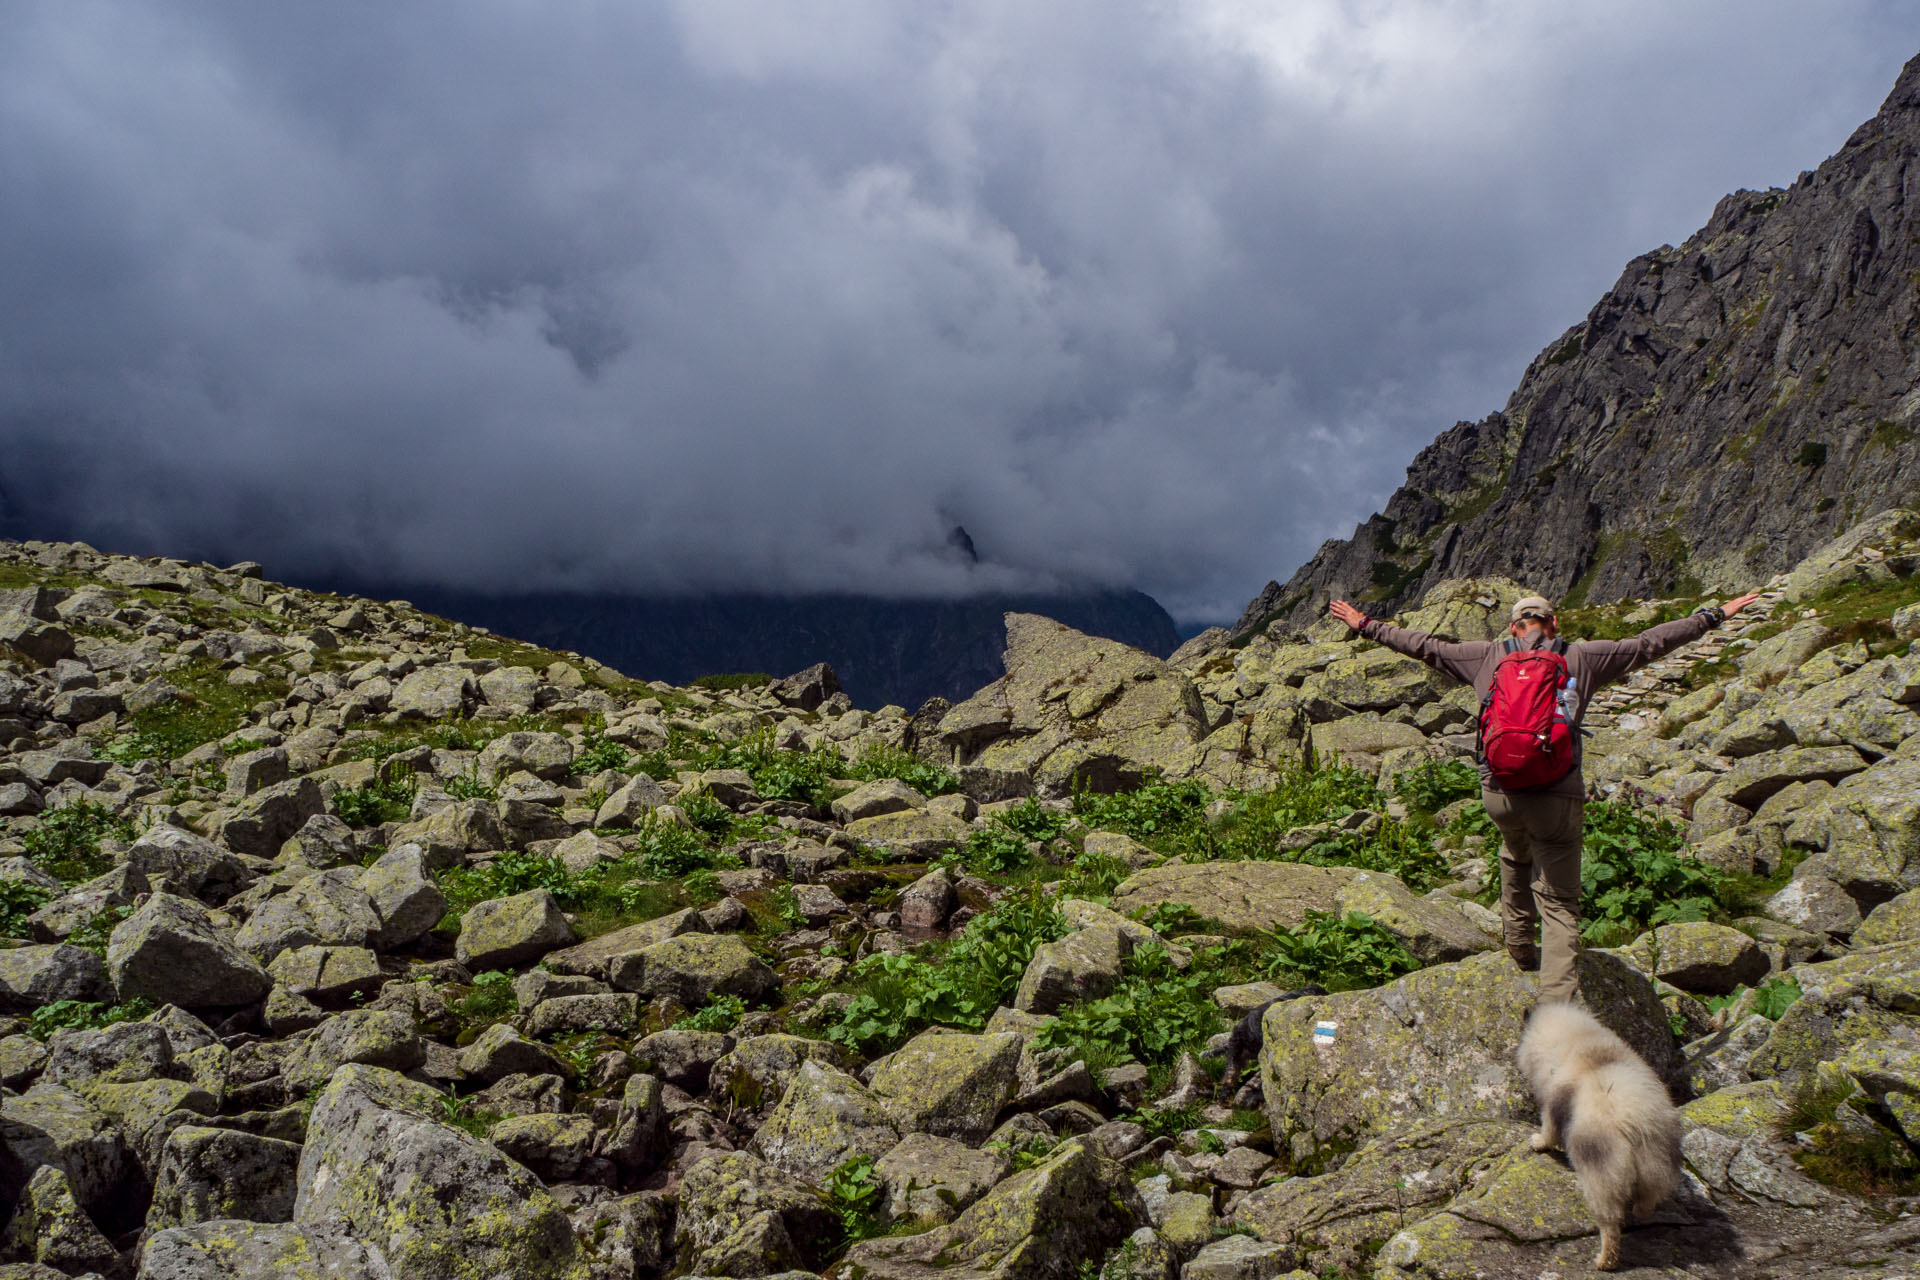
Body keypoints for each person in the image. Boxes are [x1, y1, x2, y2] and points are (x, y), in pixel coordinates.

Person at [1326, 590, 1761, 1003]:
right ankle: (1555, 1005)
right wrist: (1713, 616)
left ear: (1513, 626)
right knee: (1559, 901)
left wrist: (1364, 623)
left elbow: (1422, 645)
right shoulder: (1582, 655)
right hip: (1557, 794)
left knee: (1515, 855)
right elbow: (1650, 643)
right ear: (1554, 623)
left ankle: (1519, 950)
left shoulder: (1487, 655)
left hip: (1500, 791)